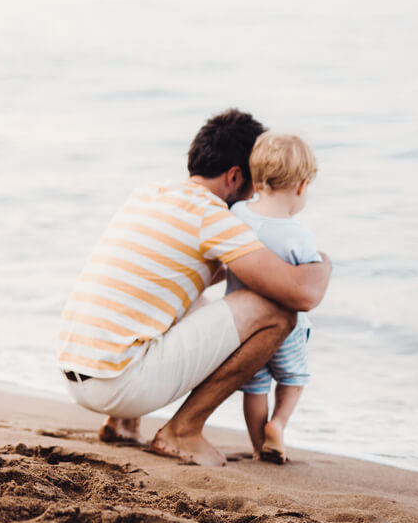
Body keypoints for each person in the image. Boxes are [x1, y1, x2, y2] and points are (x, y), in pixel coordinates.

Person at [57, 109, 332, 467]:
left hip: (77, 373)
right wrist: (322, 261)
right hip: (119, 384)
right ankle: (182, 430)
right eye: (255, 185)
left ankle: (123, 423)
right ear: (235, 176)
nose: (254, 199)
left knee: (178, 290)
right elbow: (302, 294)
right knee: (275, 311)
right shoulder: (213, 217)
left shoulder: (148, 195)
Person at [226, 132, 321, 465]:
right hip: (286, 329)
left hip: (243, 325)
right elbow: (310, 278)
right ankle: (277, 425)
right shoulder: (297, 234)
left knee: (255, 387)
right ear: (300, 187)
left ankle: (257, 447)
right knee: (293, 379)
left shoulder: (237, 214)